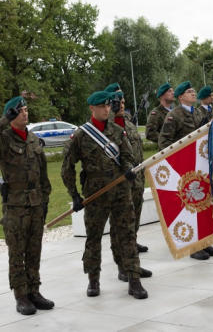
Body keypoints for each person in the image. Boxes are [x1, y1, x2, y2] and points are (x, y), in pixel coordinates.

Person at [61, 91, 148, 299]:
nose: (106, 109)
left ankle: (133, 278)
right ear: (92, 108)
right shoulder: (81, 135)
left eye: (108, 106)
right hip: (95, 193)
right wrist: (74, 195)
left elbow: (128, 156)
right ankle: (93, 279)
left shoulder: (118, 131)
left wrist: (128, 168)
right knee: (93, 237)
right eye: (102, 106)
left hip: (120, 192)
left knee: (127, 234)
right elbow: (67, 167)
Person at [0, 96, 55, 315]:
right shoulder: (2, 140)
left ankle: (34, 291)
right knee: (17, 252)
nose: (25, 113)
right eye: (20, 110)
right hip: (15, 205)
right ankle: (21, 296)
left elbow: (43, 176)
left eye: (26, 109)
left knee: (34, 250)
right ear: (11, 114)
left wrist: (45, 200)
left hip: (36, 203)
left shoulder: (33, 139)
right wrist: (4, 120)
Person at [158, 81, 213, 259]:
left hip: (200, 166)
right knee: (190, 207)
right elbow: (164, 143)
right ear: (180, 97)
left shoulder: (200, 112)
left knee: (203, 204)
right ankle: (192, 246)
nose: (193, 93)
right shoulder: (174, 115)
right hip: (184, 168)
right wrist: (183, 155)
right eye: (189, 92)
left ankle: (204, 242)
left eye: (193, 91)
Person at [104, 83, 152, 273]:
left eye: (123, 101)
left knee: (133, 226)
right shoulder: (105, 127)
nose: (121, 104)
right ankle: (122, 266)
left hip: (137, 183)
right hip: (119, 186)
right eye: (116, 101)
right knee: (119, 228)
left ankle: (133, 264)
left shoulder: (130, 123)